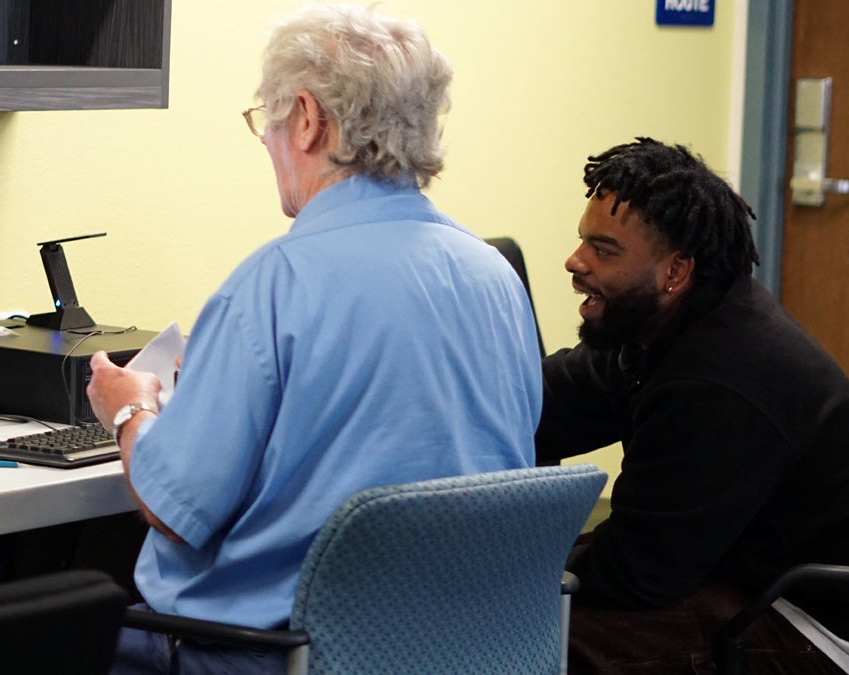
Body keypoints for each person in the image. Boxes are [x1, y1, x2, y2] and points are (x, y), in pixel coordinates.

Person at [86, 4, 542, 673]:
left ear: (306, 118)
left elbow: (175, 508)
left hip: (270, 655)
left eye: (267, 119)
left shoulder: (274, 285)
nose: (267, 140)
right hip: (455, 649)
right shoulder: (496, 279)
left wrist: (130, 408)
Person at [537, 137, 849, 673]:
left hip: (829, 630)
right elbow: (550, 399)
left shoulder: (719, 377)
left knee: (548, 636)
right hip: (741, 576)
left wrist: (510, 577)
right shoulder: (666, 326)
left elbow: (636, 574)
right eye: (582, 242)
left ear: (675, 271)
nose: (575, 261)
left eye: (604, 249)